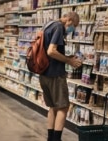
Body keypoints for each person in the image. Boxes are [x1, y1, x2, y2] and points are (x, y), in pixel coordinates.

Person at [39, 11, 82, 141]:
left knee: (53, 106)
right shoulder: (58, 27)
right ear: (68, 20)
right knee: (63, 107)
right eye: (73, 25)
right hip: (55, 75)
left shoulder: (49, 24)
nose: (72, 29)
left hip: (44, 73)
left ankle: (50, 138)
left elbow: (49, 51)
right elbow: (51, 51)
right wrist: (69, 61)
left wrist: (67, 57)